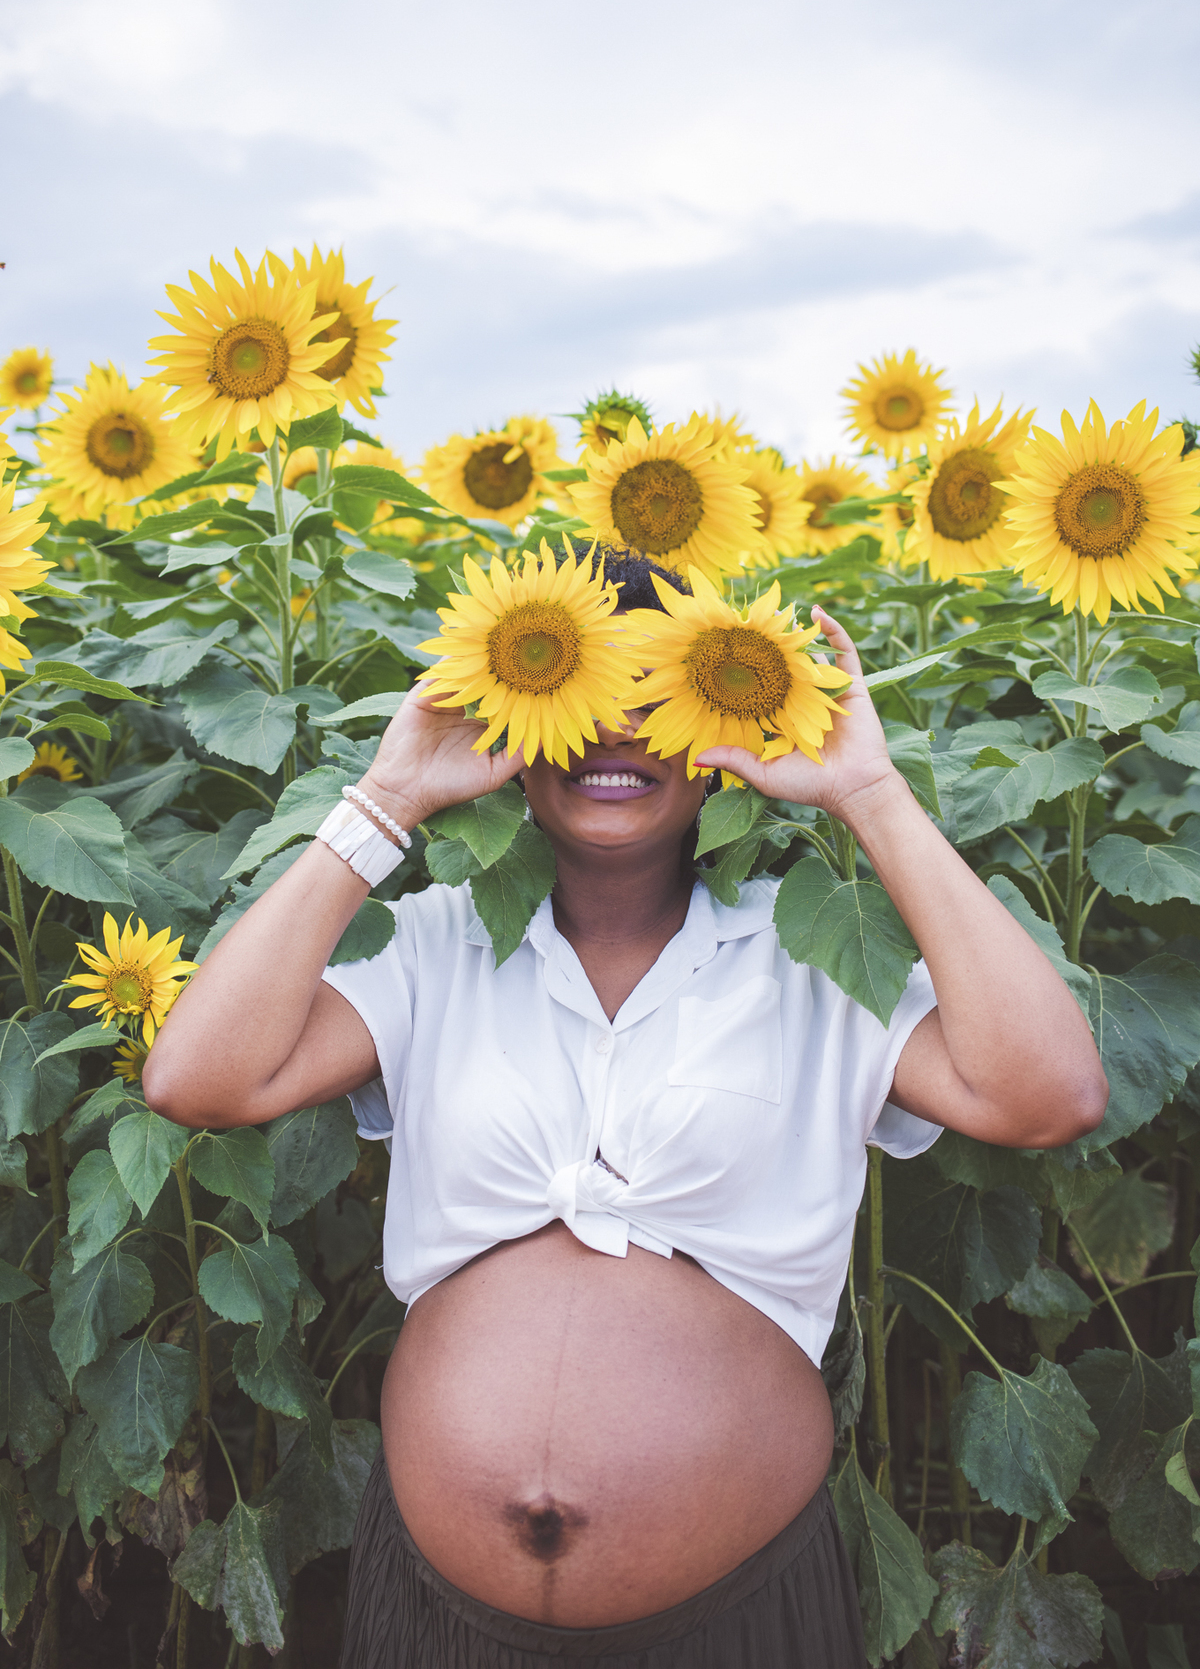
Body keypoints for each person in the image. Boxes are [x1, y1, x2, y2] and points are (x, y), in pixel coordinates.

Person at [143, 554, 1106, 1669]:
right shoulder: (434, 948)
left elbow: (1050, 1095)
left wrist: (870, 795)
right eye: (582, 694)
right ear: (517, 723)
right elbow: (195, 1081)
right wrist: (388, 799)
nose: (618, 733)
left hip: (735, 1610)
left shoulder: (812, 957)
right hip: (437, 1614)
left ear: (720, 736)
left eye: (659, 694)